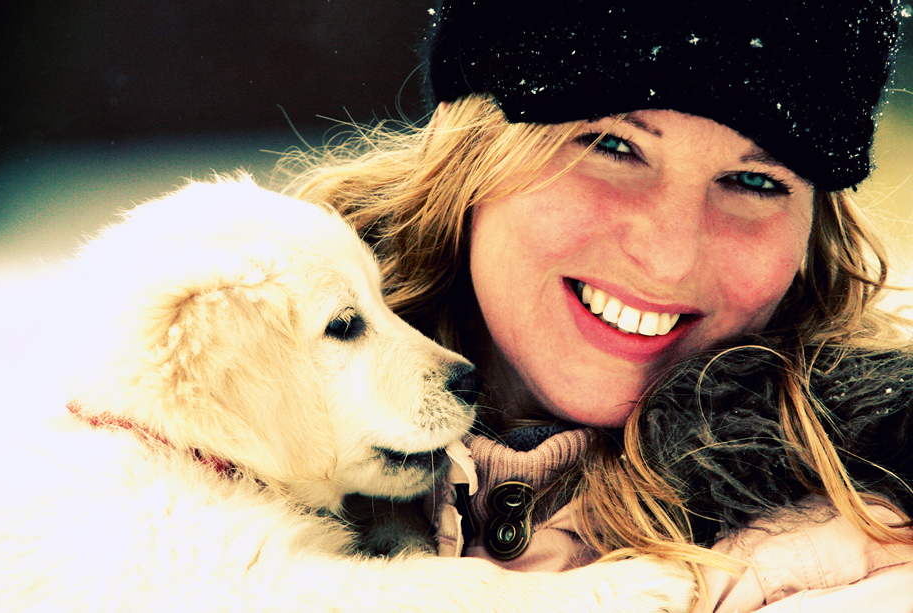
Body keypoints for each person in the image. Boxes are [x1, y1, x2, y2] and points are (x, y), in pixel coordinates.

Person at [274, 0, 913, 610]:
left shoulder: (860, 549)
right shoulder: (224, 399)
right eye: (613, 146)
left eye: (753, 181)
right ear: (472, 151)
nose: (668, 258)